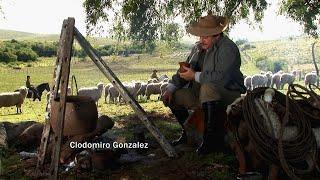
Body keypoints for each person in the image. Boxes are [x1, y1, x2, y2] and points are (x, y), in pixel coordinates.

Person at [161, 14, 246, 155]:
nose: (201, 40)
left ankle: (210, 141)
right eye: (200, 36)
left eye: (205, 36)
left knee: (207, 88)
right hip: (202, 94)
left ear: (216, 35)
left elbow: (222, 77)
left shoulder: (228, 48)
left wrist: (194, 76)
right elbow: (185, 70)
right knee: (174, 96)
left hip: (227, 93)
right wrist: (170, 88)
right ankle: (188, 133)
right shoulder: (198, 48)